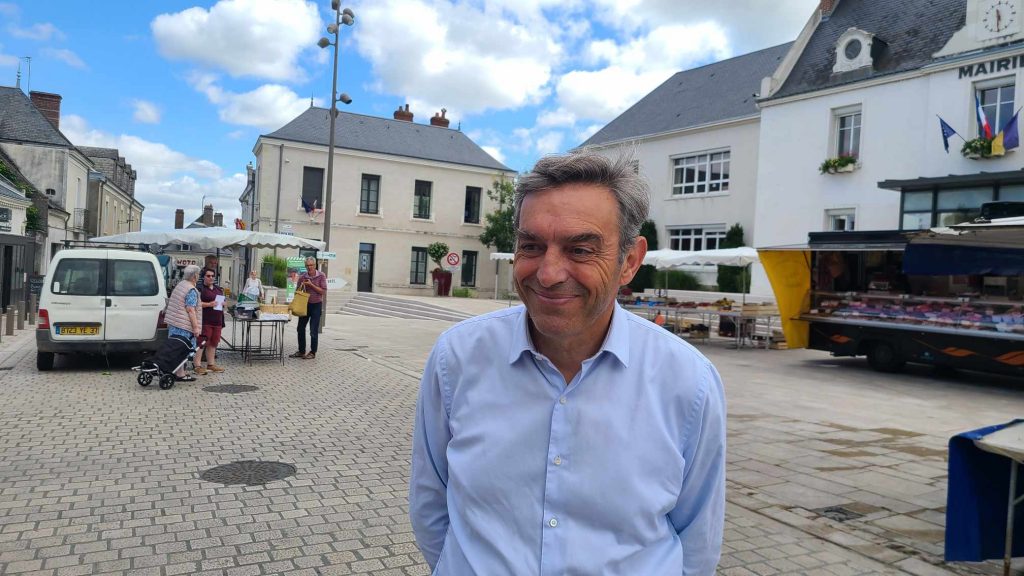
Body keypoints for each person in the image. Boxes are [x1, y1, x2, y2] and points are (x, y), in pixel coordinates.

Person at [409, 151, 726, 575]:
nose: (549, 273)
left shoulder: (688, 382)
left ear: (630, 261)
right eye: (531, 246)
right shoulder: (457, 359)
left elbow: (698, 542)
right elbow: (430, 504)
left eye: (580, 250)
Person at [163, 264, 202, 382]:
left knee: (175, 349)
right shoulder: (191, 290)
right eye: (198, 274)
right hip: (183, 325)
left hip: (174, 323)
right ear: (194, 276)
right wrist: (196, 327)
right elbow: (190, 309)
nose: (198, 276)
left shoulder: (180, 285)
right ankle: (180, 374)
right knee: (183, 349)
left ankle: (177, 371)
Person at [289, 256, 327, 359]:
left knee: (313, 330)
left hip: (316, 305)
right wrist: (301, 286)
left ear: (315, 265)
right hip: (304, 305)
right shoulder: (303, 277)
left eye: (311, 265)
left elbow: (323, 291)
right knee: (300, 328)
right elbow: (297, 291)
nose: (309, 267)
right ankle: (301, 351)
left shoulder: (321, 276)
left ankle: (312, 352)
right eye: (307, 265)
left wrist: (311, 285)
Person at [196, 267, 226, 375]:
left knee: (213, 342)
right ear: (203, 277)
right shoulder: (200, 288)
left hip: (217, 320)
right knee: (202, 342)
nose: (211, 278)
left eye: (213, 276)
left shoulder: (218, 289)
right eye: (208, 276)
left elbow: (223, 301)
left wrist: (224, 303)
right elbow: (196, 303)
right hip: (205, 320)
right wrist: (209, 304)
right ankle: (197, 365)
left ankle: (211, 364)